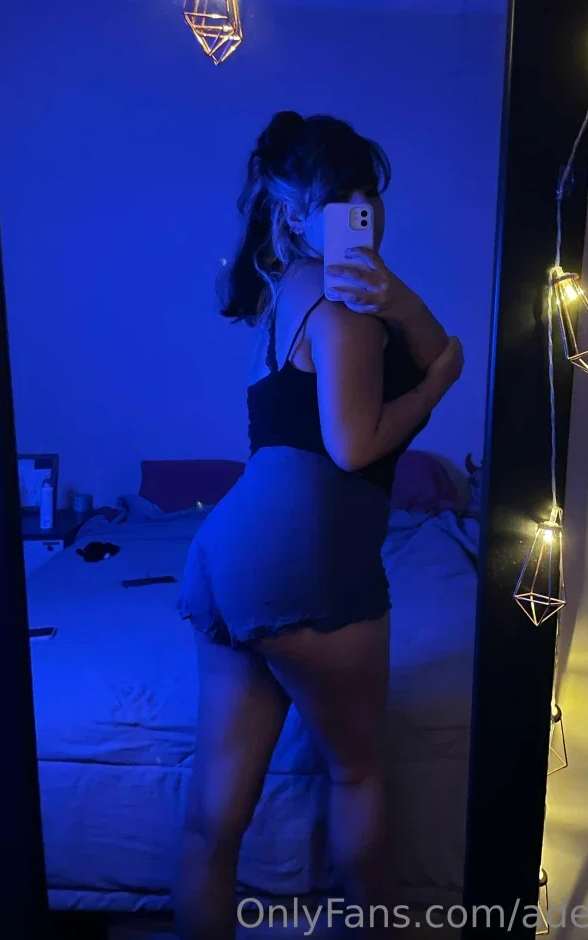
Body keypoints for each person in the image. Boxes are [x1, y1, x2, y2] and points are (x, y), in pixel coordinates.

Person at [174, 111, 464, 939]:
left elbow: (431, 345)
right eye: (338, 198)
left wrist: (405, 306)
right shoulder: (342, 309)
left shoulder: (290, 298)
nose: (359, 209)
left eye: (366, 193)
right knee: (358, 774)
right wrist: (433, 390)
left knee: (214, 815)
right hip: (305, 563)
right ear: (294, 215)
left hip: (226, 556)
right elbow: (355, 445)